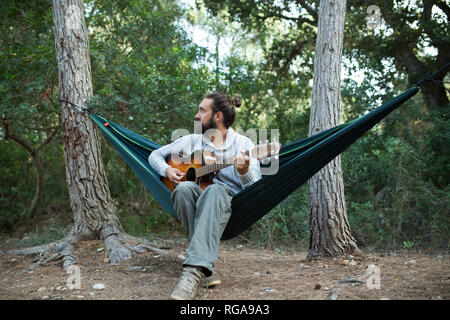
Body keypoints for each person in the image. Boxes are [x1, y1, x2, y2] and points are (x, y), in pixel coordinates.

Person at [148, 92, 262, 300]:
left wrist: (243, 171)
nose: (196, 115)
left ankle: (191, 275)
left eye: (202, 111)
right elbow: (154, 155)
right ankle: (204, 268)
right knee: (182, 189)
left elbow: (255, 187)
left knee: (214, 189)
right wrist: (167, 171)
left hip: (229, 208)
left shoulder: (243, 145)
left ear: (217, 116)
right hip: (198, 204)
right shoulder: (191, 141)